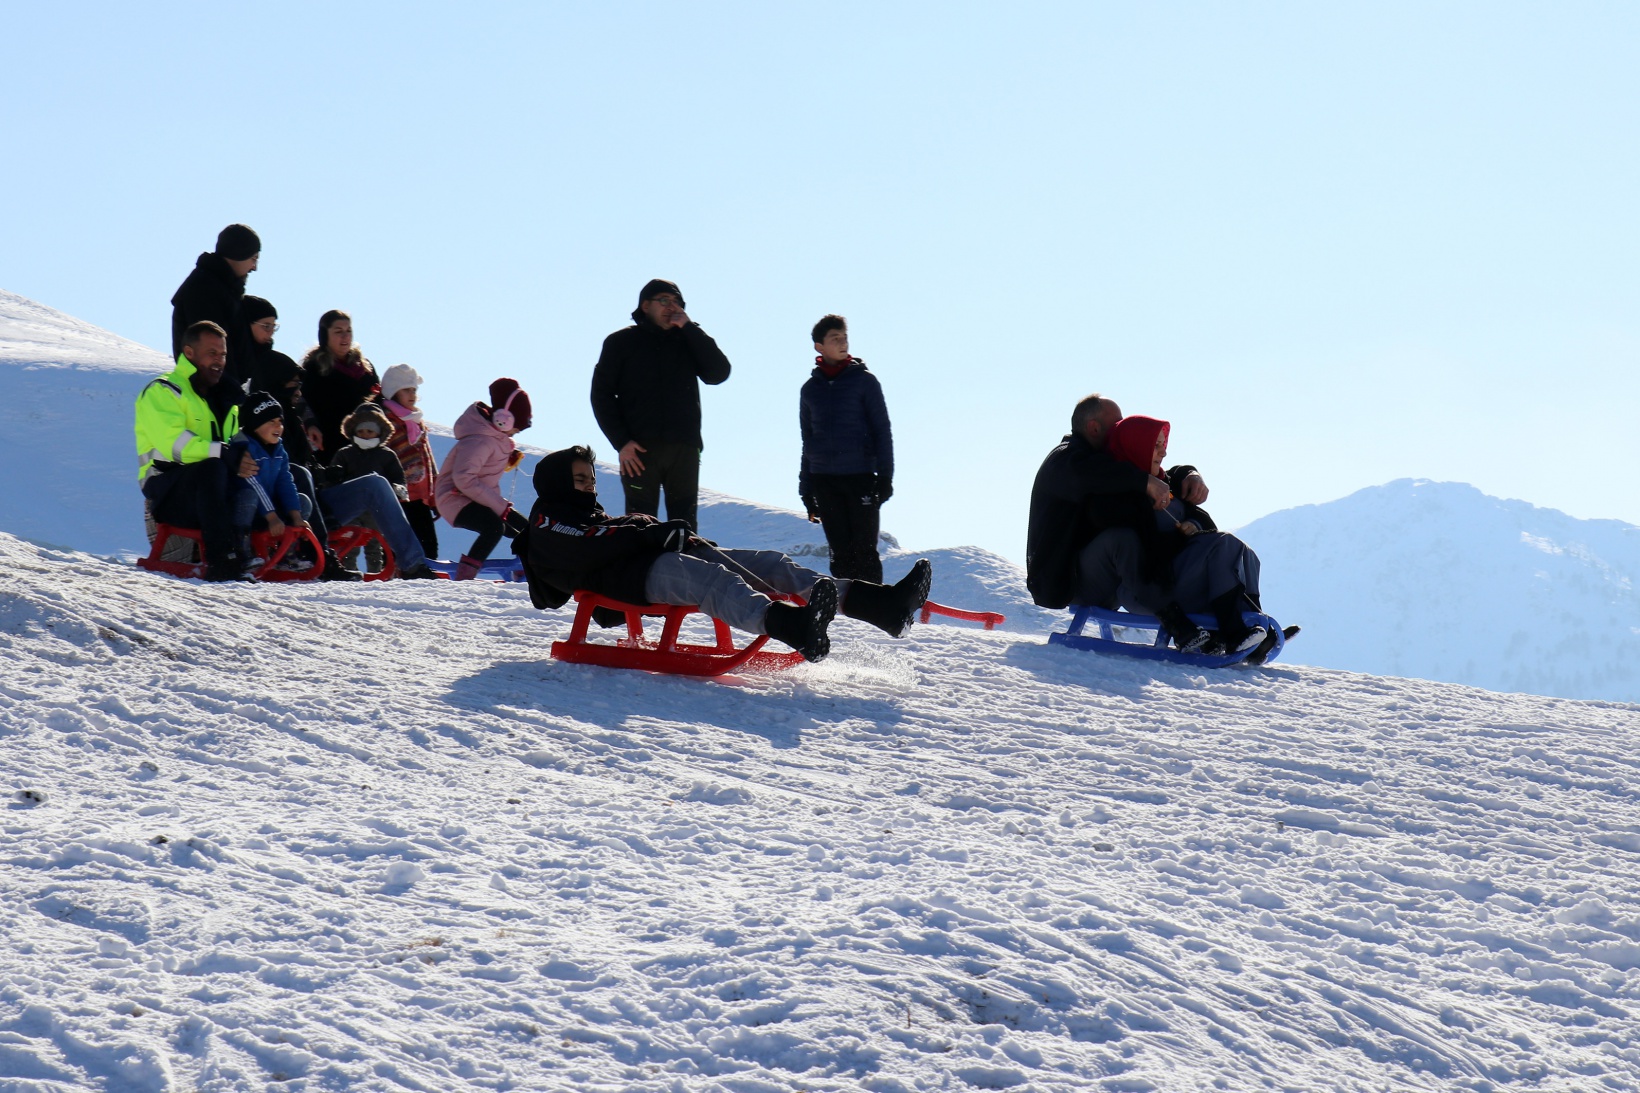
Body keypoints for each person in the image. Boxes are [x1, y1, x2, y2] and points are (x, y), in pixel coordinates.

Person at [518, 446, 935, 662]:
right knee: (714, 582)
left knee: (771, 565)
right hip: (629, 580)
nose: (590, 486)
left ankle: (881, 605)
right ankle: (791, 626)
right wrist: (652, 533)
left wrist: (654, 531)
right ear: (558, 483)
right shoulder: (548, 521)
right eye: (579, 479)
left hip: (648, 562)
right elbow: (592, 546)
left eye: (590, 478)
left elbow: (610, 534)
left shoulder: (588, 515)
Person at [1101, 416, 1268, 656]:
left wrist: (1193, 522)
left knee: (1244, 553)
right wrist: (1183, 537)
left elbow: (1201, 518)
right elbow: (1140, 548)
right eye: (1155, 446)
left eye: (1163, 444)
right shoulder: (1122, 495)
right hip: (1149, 587)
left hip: (1174, 575)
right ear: (1137, 446)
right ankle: (1233, 633)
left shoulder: (1162, 482)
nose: (1163, 452)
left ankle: (1254, 623)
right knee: (1224, 546)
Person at [590, 278, 731, 530]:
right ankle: (642, 570)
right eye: (664, 300)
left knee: (684, 526)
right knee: (640, 526)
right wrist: (621, 441)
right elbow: (601, 396)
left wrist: (690, 329)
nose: (672, 307)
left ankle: (684, 569)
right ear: (645, 306)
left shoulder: (688, 340)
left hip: (684, 448)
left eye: (677, 302)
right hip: (639, 452)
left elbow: (718, 373)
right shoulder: (620, 342)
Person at [135, 321, 255, 581]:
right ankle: (222, 559)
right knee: (211, 467)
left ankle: (297, 556)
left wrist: (249, 457)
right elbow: (174, 445)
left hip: (212, 493)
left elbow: (235, 442)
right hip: (167, 492)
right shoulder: (165, 390)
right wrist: (222, 453)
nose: (219, 361)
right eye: (212, 353)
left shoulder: (224, 399)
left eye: (223, 354)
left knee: (281, 470)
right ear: (189, 353)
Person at [798, 314, 894, 583]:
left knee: (864, 551)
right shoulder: (809, 390)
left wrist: (885, 477)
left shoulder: (865, 382)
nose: (842, 343)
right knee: (840, 554)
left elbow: (882, 431)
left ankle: (873, 612)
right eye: (835, 338)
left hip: (860, 477)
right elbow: (808, 441)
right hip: (824, 481)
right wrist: (806, 490)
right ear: (819, 346)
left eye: (844, 337)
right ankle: (846, 613)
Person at [436, 378, 533, 580]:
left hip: (474, 499)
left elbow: (483, 472)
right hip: (453, 498)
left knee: (527, 529)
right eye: (518, 427)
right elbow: (464, 478)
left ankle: (526, 566)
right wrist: (499, 506)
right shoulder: (479, 440)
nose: (517, 432)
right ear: (503, 419)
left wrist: (505, 458)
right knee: (494, 527)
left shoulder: (493, 439)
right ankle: (465, 575)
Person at [227, 392, 312, 572]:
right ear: (255, 425)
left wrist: (296, 516)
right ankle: (241, 552)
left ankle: (285, 555)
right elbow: (253, 484)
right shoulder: (244, 447)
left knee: (302, 501)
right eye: (271, 422)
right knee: (248, 495)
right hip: (247, 511)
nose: (278, 426)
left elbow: (285, 481)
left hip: (268, 510)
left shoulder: (278, 448)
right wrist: (272, 517)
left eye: (280, 421)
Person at [170, 224, 260, 392]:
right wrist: (229, 394)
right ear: (238, 254)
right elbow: (209, 352)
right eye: (253, 259)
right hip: (212, 397)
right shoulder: (204, 290)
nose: (254, 267)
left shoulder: (224, 290)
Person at [300, 310, 380, 458]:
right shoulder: (313, 368)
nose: (345, 336)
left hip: (367, 444)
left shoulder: (365, 368)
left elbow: (379, 399)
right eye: (338, 331)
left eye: (349, 330)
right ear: (325, 336)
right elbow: (302, 401)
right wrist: (310, 424)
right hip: (331, 446)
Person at [381, 364, 439, 560]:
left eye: (414, 389)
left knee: (429, 544)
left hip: (420, 494)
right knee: (400, 542)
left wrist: (434, 492)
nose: (412, 394)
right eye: (406, 390)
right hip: (400, 494)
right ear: (394, 392)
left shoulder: (415, 419)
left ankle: (427, 576)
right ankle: (401, 577)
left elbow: (426, 456)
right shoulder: (387, 420)